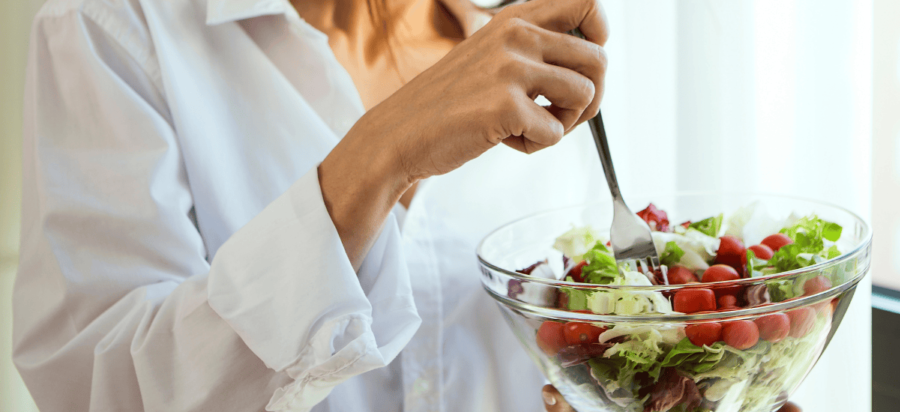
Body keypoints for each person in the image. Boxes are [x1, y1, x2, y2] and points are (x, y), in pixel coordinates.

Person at [13, 0, 804, 410]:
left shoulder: (557, 33)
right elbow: (101, 395)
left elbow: (597, 336)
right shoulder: (109, 30)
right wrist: (375, 157)